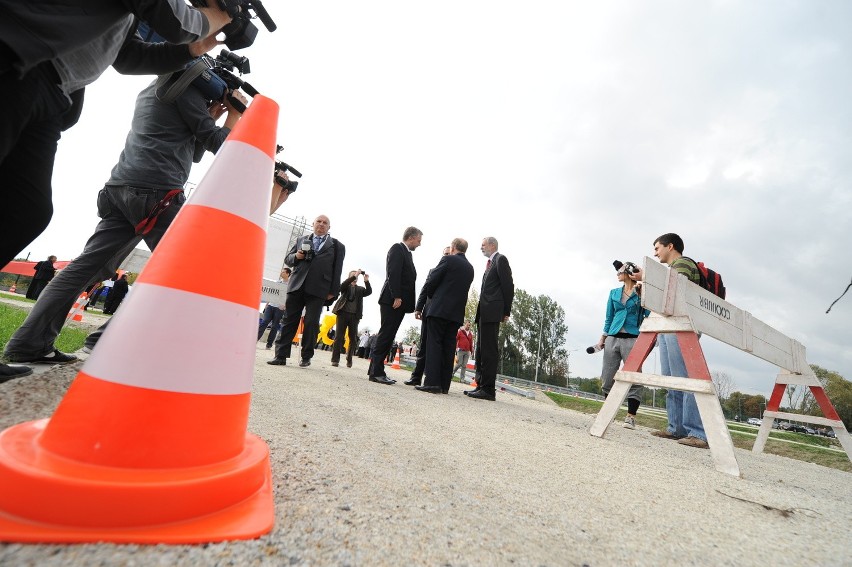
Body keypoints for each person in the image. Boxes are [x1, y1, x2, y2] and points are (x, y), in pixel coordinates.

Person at [3, 68, 249, 366]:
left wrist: (209, 115)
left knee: (84, 268)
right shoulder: (186, 88)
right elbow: (221, 146)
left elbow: (192, 150)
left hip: (121, 189)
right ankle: (106, 341)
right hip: (158, 193)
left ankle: (28, 344)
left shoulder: (159, 86)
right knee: (185, 273)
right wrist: (235, 114)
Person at [0, 1, 232, 272]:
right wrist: (219, 17)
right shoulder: (184, 92)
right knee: (188, 261)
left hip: (55, 92)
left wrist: (192, 48)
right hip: (20, 61)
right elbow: (174, 20)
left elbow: (127, 56)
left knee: (27, 212)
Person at [633, 233, 708, 449]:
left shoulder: (683, 264)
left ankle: (698, 433)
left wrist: (645, 278)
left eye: (657, 248)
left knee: (685, 378)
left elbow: (675, 293)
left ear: (670, 246)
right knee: (671, 378)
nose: (655, 253)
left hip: (682, 327)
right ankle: (677, 429)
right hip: (668, 326)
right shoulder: (670, 271)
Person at [268, 215, 345, 368]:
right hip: (297, 286)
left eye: (325, 223)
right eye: (319, 222)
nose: (321, 225)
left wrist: (333, 291)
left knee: (311, 323)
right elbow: (288, 259)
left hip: (319, 289)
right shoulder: (301, 240)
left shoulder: (337, 246)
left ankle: (306, 356)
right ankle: (280, 355)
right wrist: (296, 256)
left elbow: (337, 270)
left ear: (329, 227)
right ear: (313, 224)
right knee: (289, 320)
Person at [414, 238, 474, 394]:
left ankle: (432, 383)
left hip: (439, 310)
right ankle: (444, 385)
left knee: (434, 345)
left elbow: (432, 281)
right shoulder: (470, 268)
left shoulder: (447, 260)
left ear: (453, 247)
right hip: (456, 314)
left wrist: (433, 297)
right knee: (448, 348)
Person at [596, 260, 650, 429]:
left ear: (627, 273)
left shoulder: (642, 292)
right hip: (613, 336)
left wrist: (642, 296)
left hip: (633, 338)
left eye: (619, 272)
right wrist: (602, 338)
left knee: (634, 377)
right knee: (607, 376)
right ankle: (608, 412)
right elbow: (609, 317)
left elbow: (649, 313)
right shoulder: (613, 293)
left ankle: (630, 416)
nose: (617, 275)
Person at [368, 227, 422, 385]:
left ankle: (374, 369)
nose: (419, 244)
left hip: (397, 302)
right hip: (392, 300)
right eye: (418, 241)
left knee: (389, 335)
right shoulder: (397, 249)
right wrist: (397, 296)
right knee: (386, 335)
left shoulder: (407, 253)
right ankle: (376, 373)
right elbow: (393, 272)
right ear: (411, 238)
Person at [466, 236, 514, 402]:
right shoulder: (490, 264)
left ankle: (488, 389)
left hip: (493, 312)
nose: (481, 248)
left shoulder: (501, 260)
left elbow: (508, 286)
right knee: (480, 350)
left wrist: (506, 311)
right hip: (484, 312)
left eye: (483, 245)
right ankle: (480, 384)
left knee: (489, 350)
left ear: (492, 245)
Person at [405, 246, 451, 387]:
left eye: (449, 254)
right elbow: (425, 289)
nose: (447, 256)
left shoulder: (454, 273)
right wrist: (419, 308)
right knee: (423, 345)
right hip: (429, 311)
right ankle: (416, 376)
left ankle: (434, 379)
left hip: (444, 314)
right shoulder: (433, 271)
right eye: (445, 254)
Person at [330, 270, 372, 368]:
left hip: (354, 316)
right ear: (349, 277)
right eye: (353, 276)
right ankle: (335, 360)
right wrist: (355, 275)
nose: (355, 277)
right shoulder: (345, 287)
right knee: (338, 337)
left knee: (353, 339)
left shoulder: (360, 289)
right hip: (342, 314)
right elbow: (342, 286)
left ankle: (349, 359)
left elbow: (369, 292)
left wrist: (366, 281)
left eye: (356, 276)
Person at [258, 268, 292, 349]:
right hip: (270, 306)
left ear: (288, 274)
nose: (281, 273)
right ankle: (255, 340)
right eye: (281, 271)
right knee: (264, 322)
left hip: (280, 308)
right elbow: (272, 293)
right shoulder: (278, 282)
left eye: (283, 272)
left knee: (274, 326)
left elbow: (289, 297)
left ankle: (269, 345)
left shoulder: (290, 285)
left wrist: (285, 305)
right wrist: (267, 303)